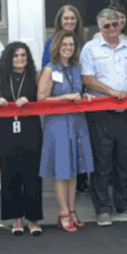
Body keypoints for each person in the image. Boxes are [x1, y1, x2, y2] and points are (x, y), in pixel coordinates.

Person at [80, 7, 127, 226]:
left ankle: (124, 203)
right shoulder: (90, 48)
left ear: (120, 24)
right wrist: (111, 92)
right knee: (102, 161)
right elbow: (87, 78)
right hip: (101, 114)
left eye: (115, 24)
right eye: (107, 26)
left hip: (126, 113)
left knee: (125, 160)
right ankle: (103, 208)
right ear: (100, 28)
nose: (112, 29)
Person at [38, 29, 94, 233]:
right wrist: (66, 98)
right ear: (57, 47)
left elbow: (79, 91)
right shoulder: (49, 69)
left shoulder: (76, 67)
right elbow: (41, 99)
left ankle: (72, 210)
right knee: (62, 171)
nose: (68, 48)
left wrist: (84, 96)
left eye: (71, 45)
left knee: (74, 170)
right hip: (58, 124)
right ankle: (62, 213)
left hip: (77, 122)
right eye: (65, 45)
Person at [0, 41, 44, 236]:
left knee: (32, 174)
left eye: (23, 55)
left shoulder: (35, 77)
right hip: (6, 130)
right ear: (9, 58)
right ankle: (16, 219)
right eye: (16, 55)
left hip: (30, 128)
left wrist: (30, 102)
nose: (20, 59)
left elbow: (42, 99)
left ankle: (33, 219)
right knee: (10, 173)